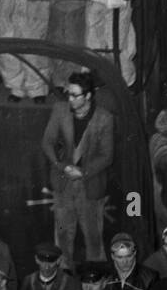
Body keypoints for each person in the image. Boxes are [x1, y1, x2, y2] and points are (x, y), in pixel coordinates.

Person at [41, 70, 115, 264]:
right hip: (63, 183)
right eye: (69, 94)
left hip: (90, 186)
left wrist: (83, 172)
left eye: (75, 95)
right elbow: (47, 142)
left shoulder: (104, 118)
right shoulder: (59, 110)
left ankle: (96, 279)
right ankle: (64, 278)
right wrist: (61, 166)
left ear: (88, 96)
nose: (70, 99)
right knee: (62, 239)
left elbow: (107, 156)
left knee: (94, 239)